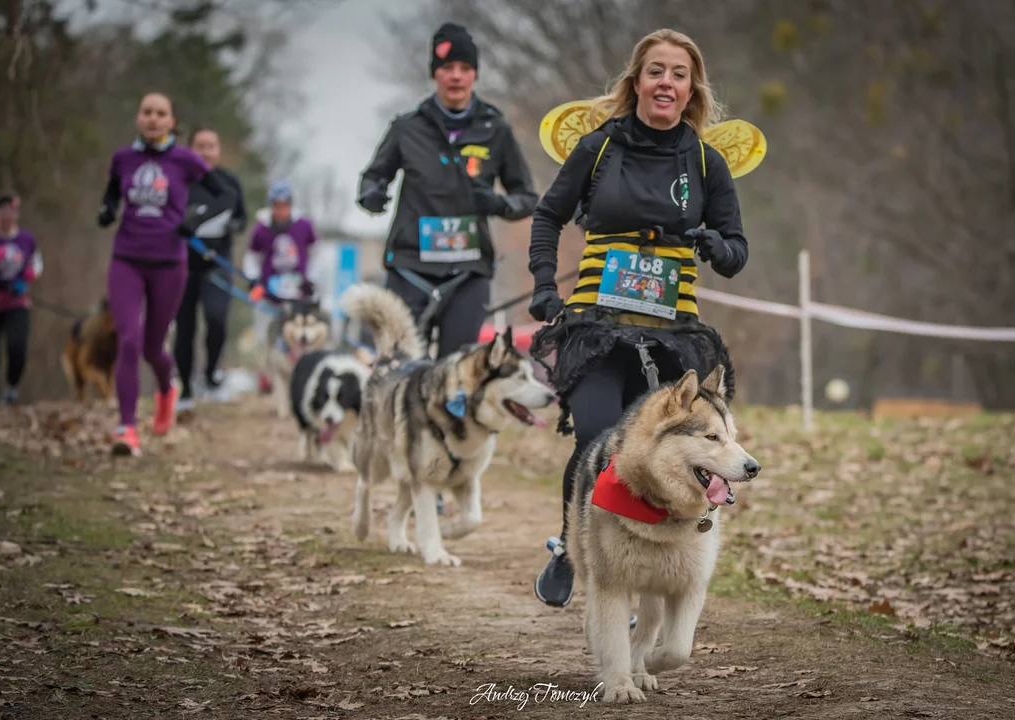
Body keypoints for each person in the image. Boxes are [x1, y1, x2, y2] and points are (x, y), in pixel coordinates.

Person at [526, 29, 748, 608]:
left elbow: (737, 252)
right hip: (597, 329)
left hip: (673, 337)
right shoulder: (599, 147)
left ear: (691, 87)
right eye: (655, 71)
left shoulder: (705, 161)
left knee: (659, 453)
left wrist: (715, 246)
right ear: (636, 81)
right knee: (599, 439)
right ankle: (574, 548)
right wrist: (545, 288)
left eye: (678, 73)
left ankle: (646, 569)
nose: (666, 83)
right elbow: (548, 216)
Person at [357, 21, 538, 359]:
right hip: (411, 266)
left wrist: (498, 204)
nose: (456, 76)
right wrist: (372, 194)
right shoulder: (407, 128)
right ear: (435, 74)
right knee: (403, 365)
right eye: (447, 68)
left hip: (467, 271)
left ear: (474, 75)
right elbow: (372, 177)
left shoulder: (495, 129)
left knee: (458, 371)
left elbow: (527, 198)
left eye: (465, 68)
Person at [98, 91, 236, 456]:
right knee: (128, 340)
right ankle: (126, 428)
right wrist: (107, 209)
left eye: (161, 113)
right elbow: (112, 192)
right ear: (138, 118)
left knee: (152, 347)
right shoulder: (123, 158)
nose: (153, 119)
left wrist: (194, 221)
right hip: (126, 258)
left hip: (170, 264)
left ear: (171, 121)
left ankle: (166, 389)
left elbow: (225, 197)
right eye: (147, 112)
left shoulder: (185, 160)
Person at [173, 125, 248, 412]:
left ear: (218, 150)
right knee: (185, 327)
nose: (205, 152)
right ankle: (186, 387)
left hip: (217, 263)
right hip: (182, 264)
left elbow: (242, 217)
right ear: (190, 149)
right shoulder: (179, 181)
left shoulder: (229, 181)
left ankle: (211, 376)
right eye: (199, 146)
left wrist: (234, 225)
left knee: (217, 319)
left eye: (211, 146)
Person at [243, 179, 320, 374]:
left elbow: (316, 254)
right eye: (276, 206)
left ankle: (298, 373)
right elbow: (252, 257)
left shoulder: (303, 225)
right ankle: (266, 375)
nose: (281, 211)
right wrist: (252, 279)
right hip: (270, 294)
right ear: (271, 207)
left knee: (297, 337)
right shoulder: (261, 228)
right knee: (266, 336)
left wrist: (311, 279)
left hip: (297, 295)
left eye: (284, 206)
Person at [0, 193, 42, 404]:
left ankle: (11, 388)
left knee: (17, 346)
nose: (8, 216)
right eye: (4, 211)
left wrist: (30, 276)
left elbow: (37, 264)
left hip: (18, 302)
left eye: (12, 211)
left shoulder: (27, 239)